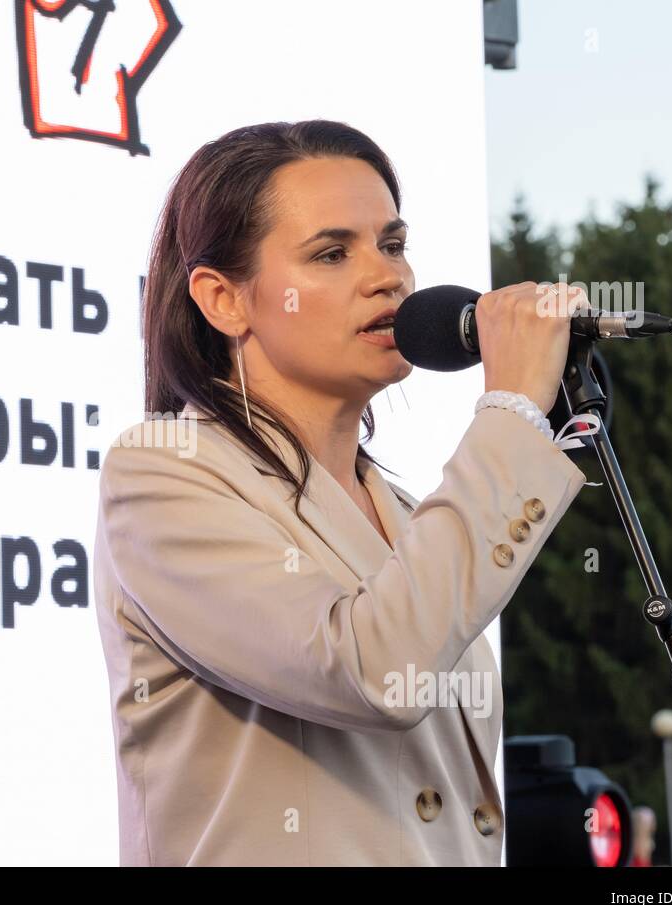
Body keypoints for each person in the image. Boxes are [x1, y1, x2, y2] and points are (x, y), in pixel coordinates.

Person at [94, 120, 592, 865]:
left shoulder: (403, 509)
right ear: (223, 299)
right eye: (333, 252)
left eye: (392, 244)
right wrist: (512, 410)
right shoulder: (162, 473)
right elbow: (374, 671)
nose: (387, 276)